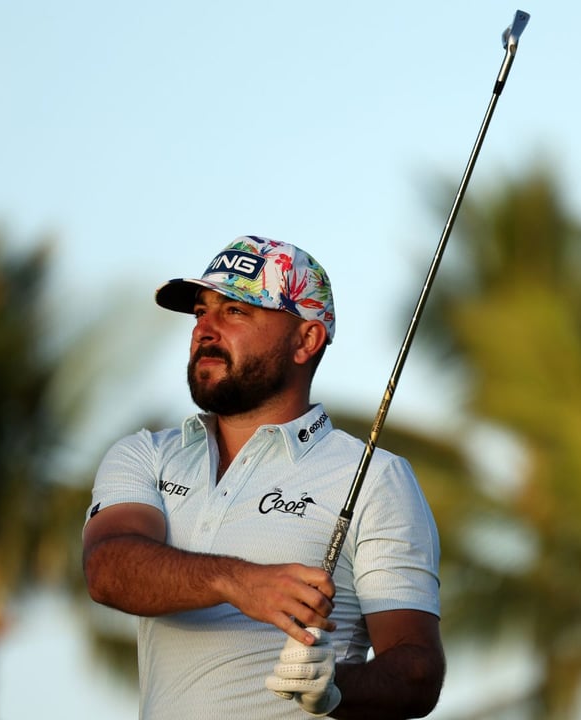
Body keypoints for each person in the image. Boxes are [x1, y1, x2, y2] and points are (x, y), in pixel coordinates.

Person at [81, 236, 445, 719]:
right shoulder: (145, 454)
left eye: (235, 311)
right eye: (200, 312)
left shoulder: (377, 477)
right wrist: (238, 582)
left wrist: (334, 686)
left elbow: (417, 669)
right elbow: (107, 570)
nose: (204, 329)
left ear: (305, 340)